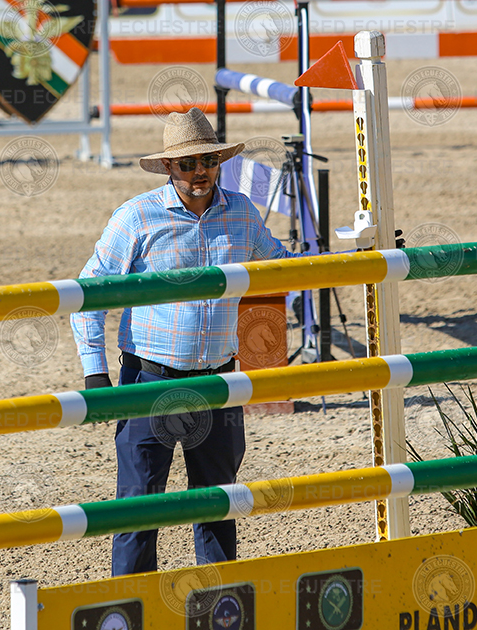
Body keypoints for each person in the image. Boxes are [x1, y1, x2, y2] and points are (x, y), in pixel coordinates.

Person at [70, 107, 303, 576]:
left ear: (219, 162)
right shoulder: (136, 217)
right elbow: (88, 291)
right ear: (168, 166)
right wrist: (95, 372)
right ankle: (131, 605)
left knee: (218, 502)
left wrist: (359, 256)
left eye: (208, 161)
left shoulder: (242, 211)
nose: (200, 171)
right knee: (138, 507)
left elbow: (282, 266)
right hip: (148, 380)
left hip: (218, 382)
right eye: (188, 163)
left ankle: (219, 604)